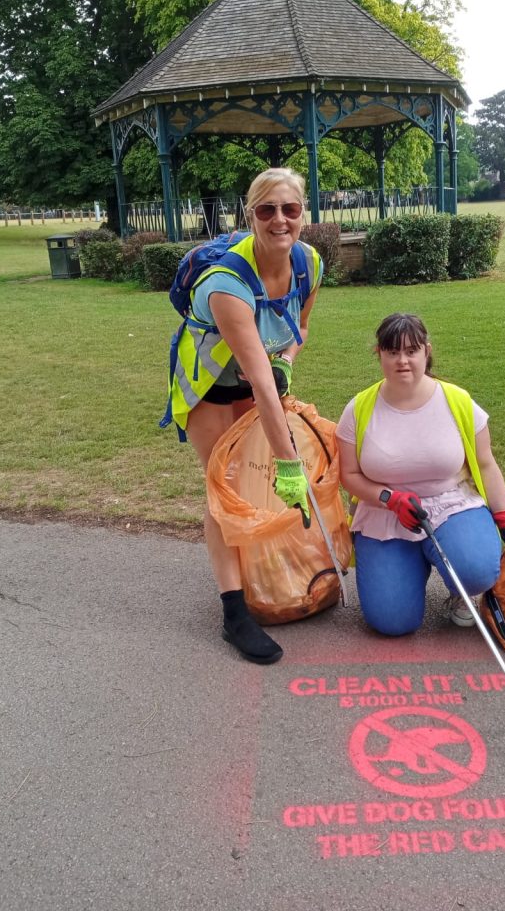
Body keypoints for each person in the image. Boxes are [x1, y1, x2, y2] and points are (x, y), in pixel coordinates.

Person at [168, 168, 323, 665]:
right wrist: (291, 465)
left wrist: (286, 364)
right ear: (250, 214)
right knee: (225, 490)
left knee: (254, 482)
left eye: (290, 209)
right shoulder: (226, 284)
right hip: (212, 385)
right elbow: (255, 380)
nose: (280, 220)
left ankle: (259, 577)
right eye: (266, 210)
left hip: (256, 376)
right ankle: (234, 613)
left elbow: (298, 329)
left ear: (304, 212)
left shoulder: (309, 263)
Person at [335, 313, 505, 636]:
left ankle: (458, 589)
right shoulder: (359, 408)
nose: (402, 361)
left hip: (451, 504)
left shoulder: (457, 401)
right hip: (386, 513)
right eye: (392, 352)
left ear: (427, 352)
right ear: (379, 354)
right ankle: (412, 563)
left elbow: (487, 463)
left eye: (411, 351)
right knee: (392, 623)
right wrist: (389, 498)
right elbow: (348, 475)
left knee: (477, 569)